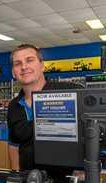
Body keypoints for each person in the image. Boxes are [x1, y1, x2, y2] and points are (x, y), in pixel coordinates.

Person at [7, 43, 82, 171]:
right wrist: (16, 174)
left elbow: (91, 134)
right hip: (30, 182)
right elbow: (13, 144)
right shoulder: (13, 106)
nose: (24, 67)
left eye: (29, 60)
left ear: (42, 66)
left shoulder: (71, 92)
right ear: (14, 73)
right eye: (18, 63)